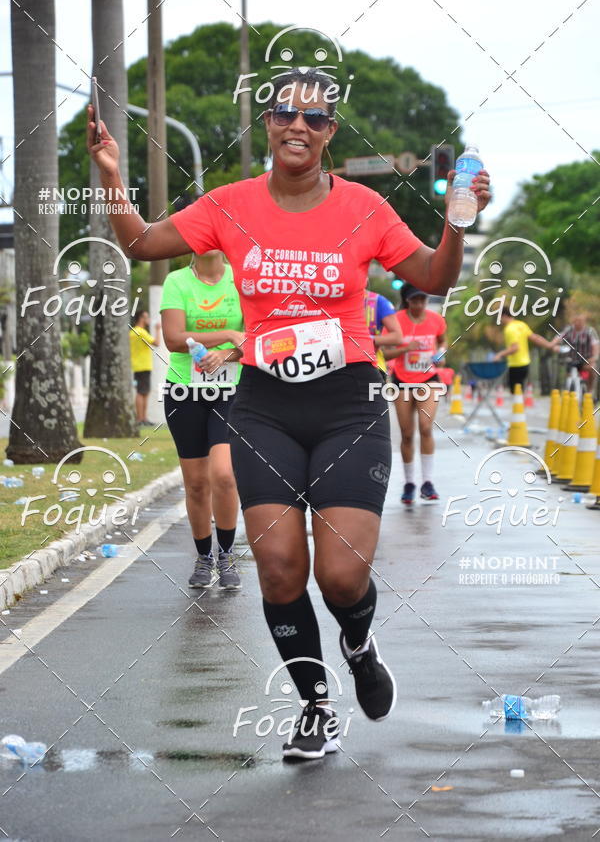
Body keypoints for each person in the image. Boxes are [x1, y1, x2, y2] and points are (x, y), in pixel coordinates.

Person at [87, 68, 490, 759]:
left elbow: (434, 277)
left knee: (341, 575)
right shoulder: (230, 204)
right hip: (265, 403)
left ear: (332, 132)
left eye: (316, 119)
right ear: (268, 124)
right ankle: (315, 707)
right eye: (284, 114)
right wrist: (110, 174)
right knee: (277, 567)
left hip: (349, 403)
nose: (299, 126)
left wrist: (456, 225)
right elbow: (143, 243)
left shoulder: (364, 207)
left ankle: (358, 642)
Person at [160, 251, 244, 590]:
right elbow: (173, 338)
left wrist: (225, 354)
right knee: (196, 483)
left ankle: (225, 555)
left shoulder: (240, 279)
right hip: (184, 391)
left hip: (232, 391)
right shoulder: (177, 281)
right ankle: (203, 557)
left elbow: (255, 334)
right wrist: (225, 332)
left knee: (223, 475)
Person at [383, 285, 447, 505]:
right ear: (407, 301)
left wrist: (441, 354)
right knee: (407, 433)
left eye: (423, 300)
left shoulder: (436, 319)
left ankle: (427, 482)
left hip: (429, 379)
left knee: (426, 427)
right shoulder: (396, 320)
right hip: (402, 380)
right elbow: (384, 351)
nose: (419, 305)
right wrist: (405, 348)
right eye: (415, 300)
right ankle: (410, 483)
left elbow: (442, 341)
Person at [493, 309, 555, 392]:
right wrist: (549, 345)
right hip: (525, 363)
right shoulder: (521, 325)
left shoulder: (509, 329)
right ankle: (520, 403)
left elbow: (515, 348)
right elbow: (535, 338)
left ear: (504, 316)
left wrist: (500, 354)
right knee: (520, 390)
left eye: (500, 318)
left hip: (515, 364)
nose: (500, 320)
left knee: (515, 391)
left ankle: (519, 404)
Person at [551, 313, 599, 399]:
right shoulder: (569, 330)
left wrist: (595, 357)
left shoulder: (590, 331)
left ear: (584, 322)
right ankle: (567, 390)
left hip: (586, 360)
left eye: (580, 321)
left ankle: (590, 391)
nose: (578, 323)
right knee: (568, 374)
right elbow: (558, 337)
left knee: (592, 369)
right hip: (571, 359)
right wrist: (553, 346)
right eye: (576, 321)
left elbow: (596, 345)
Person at [129, 309, 160, 426]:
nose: (148, 319)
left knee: (142, 392)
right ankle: (141, 418)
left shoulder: (132, 332)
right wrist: (157, 330)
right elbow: (157, 343)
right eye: (146, 317)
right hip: (144, 365)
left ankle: (142, 418)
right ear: (141, 318)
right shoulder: (141, 332)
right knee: (142, 392)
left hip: (136, 365)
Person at [364, 286, 404, 376]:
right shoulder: (332, 300)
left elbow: (398, 337)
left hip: (373, 366)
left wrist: (367, 339)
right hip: (336, 367)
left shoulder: (377, 301)